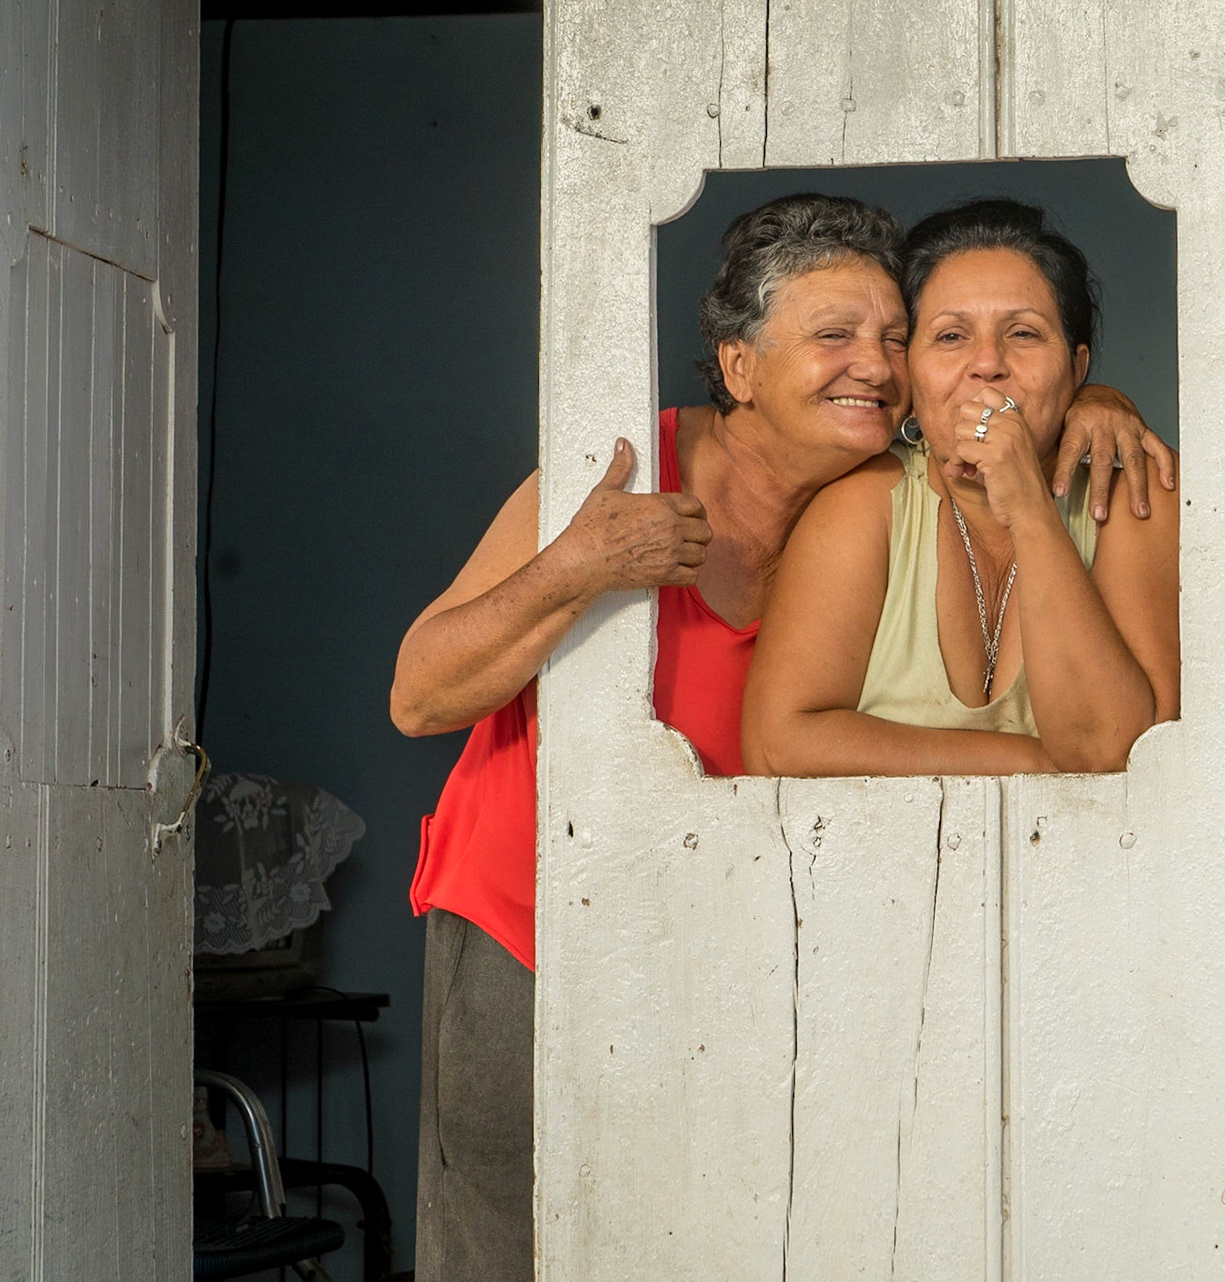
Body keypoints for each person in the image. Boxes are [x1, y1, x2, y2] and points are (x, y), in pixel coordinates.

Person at [389, 192, 1173, 1282]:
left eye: (896, 337)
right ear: (741, 366)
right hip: (532, 928)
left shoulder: (861, 491)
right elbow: (419, 696)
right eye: (834, 336)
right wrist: (580, 564)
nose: (879, 364)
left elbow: (1000, 379)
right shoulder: (621, 473)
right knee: (510, 1249)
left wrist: (1100, 399)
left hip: (725, 956)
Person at [740, 200, 1180, 778]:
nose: (988, 364)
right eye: (950, 336)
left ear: (1077, 370)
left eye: (1024, 333)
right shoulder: (864, 505)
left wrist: (1027, 503)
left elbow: (1113, 750)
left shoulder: (1137, 501)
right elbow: (778, 746)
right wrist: (1033, 761)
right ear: (910, 371)